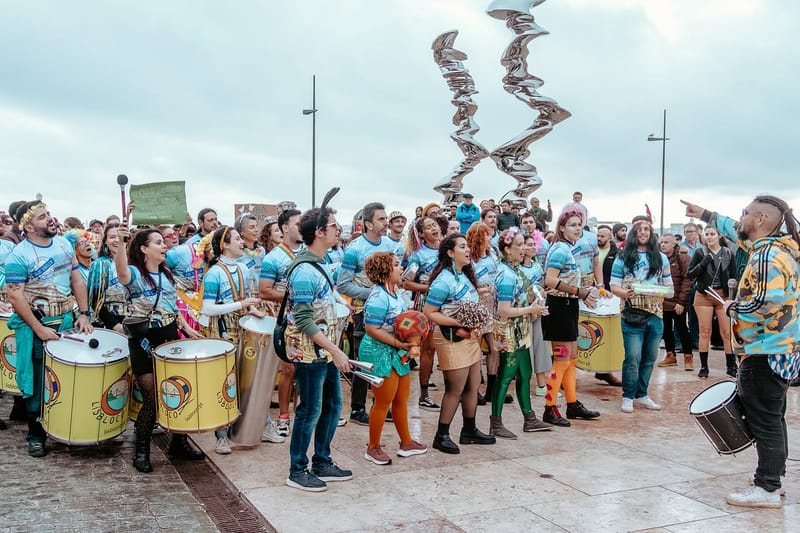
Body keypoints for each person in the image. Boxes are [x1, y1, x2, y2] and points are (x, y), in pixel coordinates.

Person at [682, 195, 800, 508]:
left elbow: (768, 301)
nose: (741, 218)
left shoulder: (767, 256)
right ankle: (773, 476)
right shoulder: (775, 248)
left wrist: (735, 307)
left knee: (764, 419)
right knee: (773, 417)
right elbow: (736, 231)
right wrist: (706, 214)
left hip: (765, 349)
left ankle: (767, 488)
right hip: (780, 348)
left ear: (760, 219)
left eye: (746, 213)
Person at [4, 201, 93, 457]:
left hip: (66, 320)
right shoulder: (18, 256)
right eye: (43, 217)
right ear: (28, 226)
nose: (51, 219)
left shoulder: (65, 245)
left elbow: (76, 279)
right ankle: (36, 434)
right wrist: (39, 329)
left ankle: (63, 425)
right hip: (36, 326)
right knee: (37, 380)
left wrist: (84, 313)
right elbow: (15, 297)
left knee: (64, 376)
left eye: (49, 214)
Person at [115, 225, 204, 472]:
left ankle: (179, 442)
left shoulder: (166, 275)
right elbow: (121, 272)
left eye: (163, 242)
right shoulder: (134, 274)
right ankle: (141, 451)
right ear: (144, 249)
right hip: (143, 343)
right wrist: (122, 243)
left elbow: (172, 308)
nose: (164, 245)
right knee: (154, 398)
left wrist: (186, 328)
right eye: (157, 242)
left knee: (177, 393)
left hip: (169, 339)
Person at [283, 206, 353, 492]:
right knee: (310, 409)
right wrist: (335, 351)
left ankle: (322, 460)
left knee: (333, 406)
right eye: (334, 225)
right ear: (320, 232)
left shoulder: (321, 262)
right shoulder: (303, 271)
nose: (339, 229)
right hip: (311, 352)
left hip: (325, 350)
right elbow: (302, 319)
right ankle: (297, 469)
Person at [424, 234, 496, 453]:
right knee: (455, 388)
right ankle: (442, 435)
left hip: (469, 337)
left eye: (467, 246)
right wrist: (459, 323)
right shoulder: (443, 280)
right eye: (462, 247)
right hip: (451, 337)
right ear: (450, 252)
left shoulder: (464, 275)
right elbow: (429, 313)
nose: (467, 250)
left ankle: (469, 429)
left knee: (473, 385)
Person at [359, 252, 428, 464]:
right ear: (385, 271)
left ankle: (406, 442)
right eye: (397, 265)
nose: (401, 268)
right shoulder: (379, 297)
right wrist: (399, 343)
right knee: (383, 401)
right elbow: (371, 328)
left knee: (401, 398)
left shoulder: (395, 293)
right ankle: (372, 447)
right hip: (379, 352)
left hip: (397, 351)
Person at [200, 226, 263, 454]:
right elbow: (207, 308)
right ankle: (222, 435)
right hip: (222, 334)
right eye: (236, 239)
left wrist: (253, 309)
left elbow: (246, 299)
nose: (241, 242)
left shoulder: (244, 269)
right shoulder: (214, 273)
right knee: (225, 382)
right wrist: (242, 305)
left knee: (248, 379)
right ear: (224, 245)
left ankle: (256, 425)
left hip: (242, 331)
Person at [337, 202, 396, 425]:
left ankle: (381, 404)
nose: (386, 223)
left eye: (386, 218)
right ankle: (357, 409)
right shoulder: (354, 249)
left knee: (386, 356)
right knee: (364, 359)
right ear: (368, 223)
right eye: (381, 219)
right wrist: (373, 292)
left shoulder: (390, 244)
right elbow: (343, 285)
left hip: (388, 311)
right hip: (364, 312)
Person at [540, 210, 601, 427]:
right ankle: (550, 407)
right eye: (573, 225)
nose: (578, 229)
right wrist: (579, 291)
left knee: (572, 358)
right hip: (558, 308)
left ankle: (572, 403)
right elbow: (549, 280)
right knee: (562, 360)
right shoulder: (559, 249)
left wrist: (583, 291)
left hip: (569, 306)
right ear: (562, 228)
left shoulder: (568, 248)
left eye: (580, 225)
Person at [489, 228, 551, 438]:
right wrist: (531, 310)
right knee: (505, 376)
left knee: (525, 373)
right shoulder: (506, 275)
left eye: (524, 243)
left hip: (520, 329)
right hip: (509, 331)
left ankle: (530, 418)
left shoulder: (515, 270)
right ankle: (495, 422)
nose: (523, 248)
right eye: (518, 245)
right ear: (507, 249)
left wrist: (535, 306)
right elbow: (504, 311)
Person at [609, 216, 673, 413]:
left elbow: (670, 288)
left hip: (655, 314)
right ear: (633, 234)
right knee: (632, 357)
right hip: (631, 313)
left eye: (647, 229)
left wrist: (662, 292)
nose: (643, 232)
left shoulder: (661, 258)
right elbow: (613, 286)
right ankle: (628, 396)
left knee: (649, 357)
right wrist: (625, 293)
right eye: (639, 230)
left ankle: (642, 394)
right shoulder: (622, 257)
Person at [259, 208, 303, 440]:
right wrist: (294, 296)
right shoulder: (273, 257)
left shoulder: (309, 251)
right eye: (298, 223)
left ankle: (303, 414)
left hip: (308, 319)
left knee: (307, 370)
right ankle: (283, 417)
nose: (302, 227)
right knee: (289, 369)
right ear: (285, 227)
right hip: (285, 320)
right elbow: (264, 291)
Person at [687, 226, 738, 379]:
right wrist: (704, 262)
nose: (709, 237)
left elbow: (734, 277)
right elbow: (690, 274)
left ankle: (731, 366)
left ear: (719, 236)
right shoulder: (700, 252)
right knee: (705, 331)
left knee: (726, 332)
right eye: (707, 234)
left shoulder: (728, 253)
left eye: (712, 234)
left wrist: (731, 297)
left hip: (723, 296)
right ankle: (703, 367)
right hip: (704, 295)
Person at [403, 216, 442, 411]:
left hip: (450, 302)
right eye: (428, 227)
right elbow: (406, 282)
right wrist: (428, 288)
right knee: (429, 349)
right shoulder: (418, 256)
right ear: (421, 234)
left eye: (434, 225)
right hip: (428, 303)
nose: (434, 229)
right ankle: (424, 393)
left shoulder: (448, 247)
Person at [465, 222, 500, 405]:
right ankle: (474, 388)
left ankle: (492, 389)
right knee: (475, 348)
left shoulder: (493, 254)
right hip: (477, 305)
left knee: (494, 348)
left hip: (492, 304)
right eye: (488, 235)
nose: (491, 238)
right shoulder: (469, 259)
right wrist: (481, 289)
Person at [520, 233, 552, 398]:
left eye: (534, 244)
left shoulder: (537, 266)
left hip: (537, 311)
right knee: (525, 348)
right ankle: (523, 384)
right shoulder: (516, 268)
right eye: (529, 244)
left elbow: (542, 285)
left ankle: (541, 384)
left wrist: (541, 292)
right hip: (522, 313)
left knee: (541, 346)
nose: (533, 247)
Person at [656, 233, 694, 370]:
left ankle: (688, 357)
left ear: (673, 244)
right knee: (666, 329)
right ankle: (670, 355)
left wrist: (682, 302)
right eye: (661, 242)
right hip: (662, 300)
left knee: (682, 328)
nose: (663, 244)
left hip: (678, 300)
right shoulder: (658, 258)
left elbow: (688, 279)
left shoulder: (683, 257)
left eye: (666, 242)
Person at [87, 223, 128, 333]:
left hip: (135, 322)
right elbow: (95, 300)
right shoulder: (99, 265)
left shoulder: (135, 263)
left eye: (119, 236)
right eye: (112, 237)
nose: (116, 240)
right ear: (105, 241)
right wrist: (115, 325)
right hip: (110, 324)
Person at [235, 213, 266, 297]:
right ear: (241, 232)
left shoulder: (261, 251)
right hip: (245, 296)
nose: (256, 230)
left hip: (262, 296)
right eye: (252, 227)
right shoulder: (238, 253)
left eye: (256, 226)